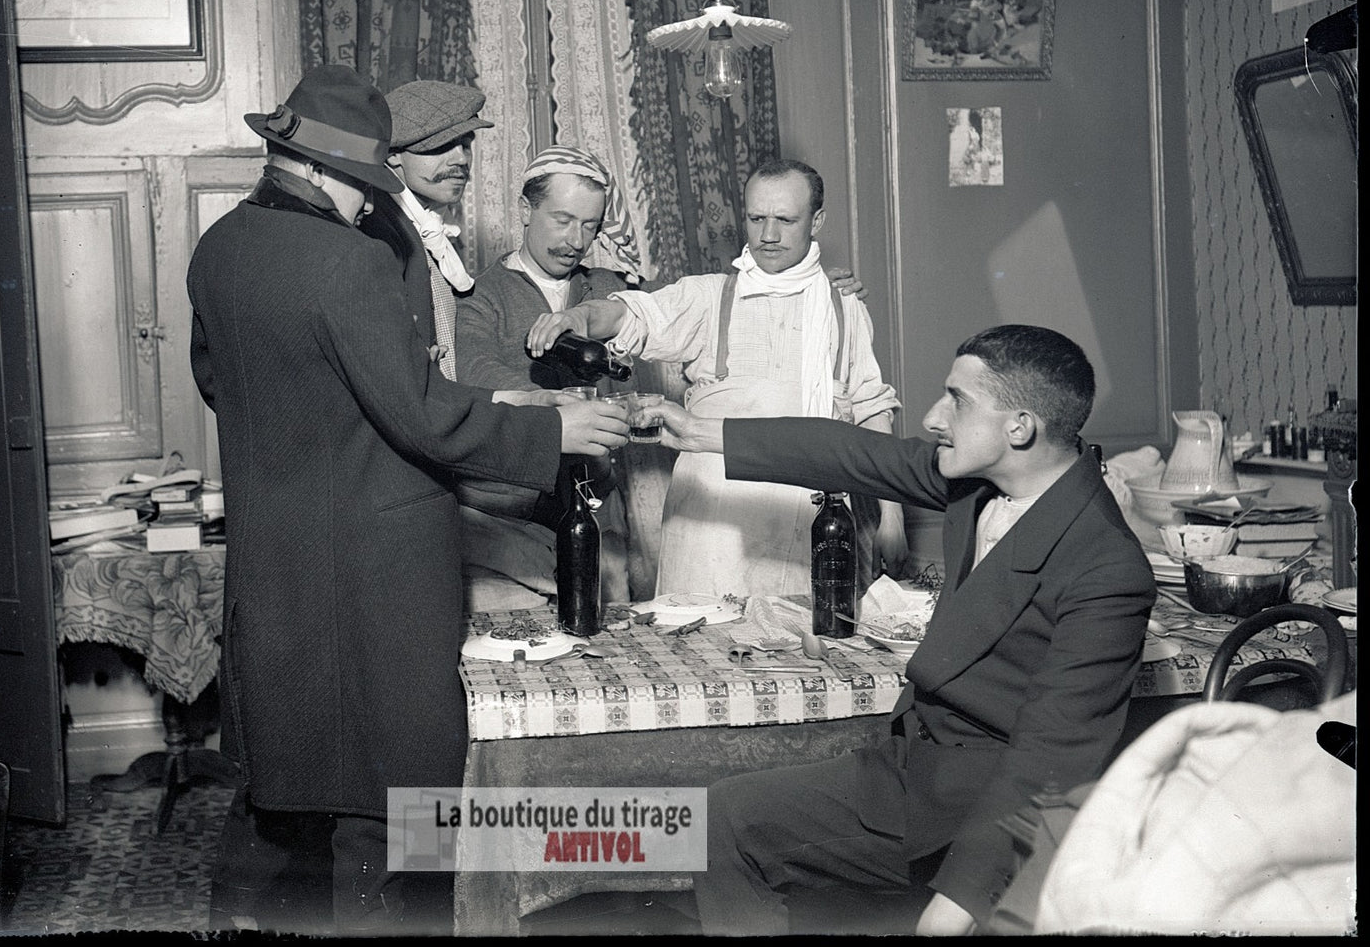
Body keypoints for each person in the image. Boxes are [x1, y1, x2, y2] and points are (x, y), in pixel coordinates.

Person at [186, 64, 628, 934]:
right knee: (399, 786)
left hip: (277, 547)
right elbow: (421, 416)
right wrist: (555, 435)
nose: (370, 205)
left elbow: (217, 382)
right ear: (314, 170)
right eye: (365, 186)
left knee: (297, 767)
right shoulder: (345, 263)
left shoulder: (221, 246)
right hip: (376, 559)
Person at [637, 323, 1156, 935]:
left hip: (979, 811)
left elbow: (1050, 760)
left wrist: (955, 906)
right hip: (915, 765)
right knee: (720, 816)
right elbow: (852, 454)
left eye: (958, 400)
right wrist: (699, 432)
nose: (935, 417)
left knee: (728, 825)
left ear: (1019, 427)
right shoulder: (987, 483)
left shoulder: (1108, 566)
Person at [527, 158, 907, 598]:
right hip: (712, 527)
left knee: (802, 650)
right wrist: (577, 316)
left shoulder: (844, 308)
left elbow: (872, 410)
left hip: (810, 517)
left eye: (785, 220)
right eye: (756, 218)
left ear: (817, 221)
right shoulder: (708, 297)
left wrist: (892, 519)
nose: (768, 235)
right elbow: (630, 313)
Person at [452, 146, 643, 608]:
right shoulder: (478, 295)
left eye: (590, 226)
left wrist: (810, 284)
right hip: (505, 519)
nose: (576, 240)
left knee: (614, 651)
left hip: (597, 508)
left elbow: (681, 308)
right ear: (525, 209)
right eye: (562, 220)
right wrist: (555, 407)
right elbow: (475, 373)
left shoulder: (605, 287)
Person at [358, 79, 492, 379]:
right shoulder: (378, 230)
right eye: (442, 145)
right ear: (393, 154)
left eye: (466, 144)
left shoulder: (426, 225)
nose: (461, 159)